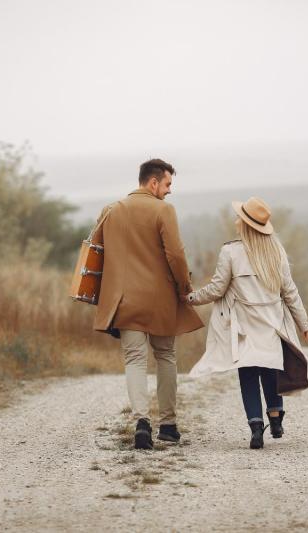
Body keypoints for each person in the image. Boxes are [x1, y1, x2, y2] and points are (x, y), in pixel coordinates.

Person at [186, 196, 308, 449]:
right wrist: (305, 324)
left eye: (240, 217)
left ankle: (256, 428)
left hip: (244, 327)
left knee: (248, 374)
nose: (236, 220)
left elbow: (216, 289)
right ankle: (276, 417)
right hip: (273, 324)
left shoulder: (230, 252)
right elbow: (289, 291)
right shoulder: (276, 250)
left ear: (245, 224)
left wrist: (191, 298)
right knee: (270, 368)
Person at [90, 158, 204, 450]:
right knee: (165, 356)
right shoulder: (164, 210)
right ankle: (167, 425)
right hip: (159, 301)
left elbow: (96, 253)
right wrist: (184, 287)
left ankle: (141, 423)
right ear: (153, 183)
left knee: (134, 360)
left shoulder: (111, 210)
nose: (169, 191)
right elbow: (176, 255)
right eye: (167, 184)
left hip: (123, 301)